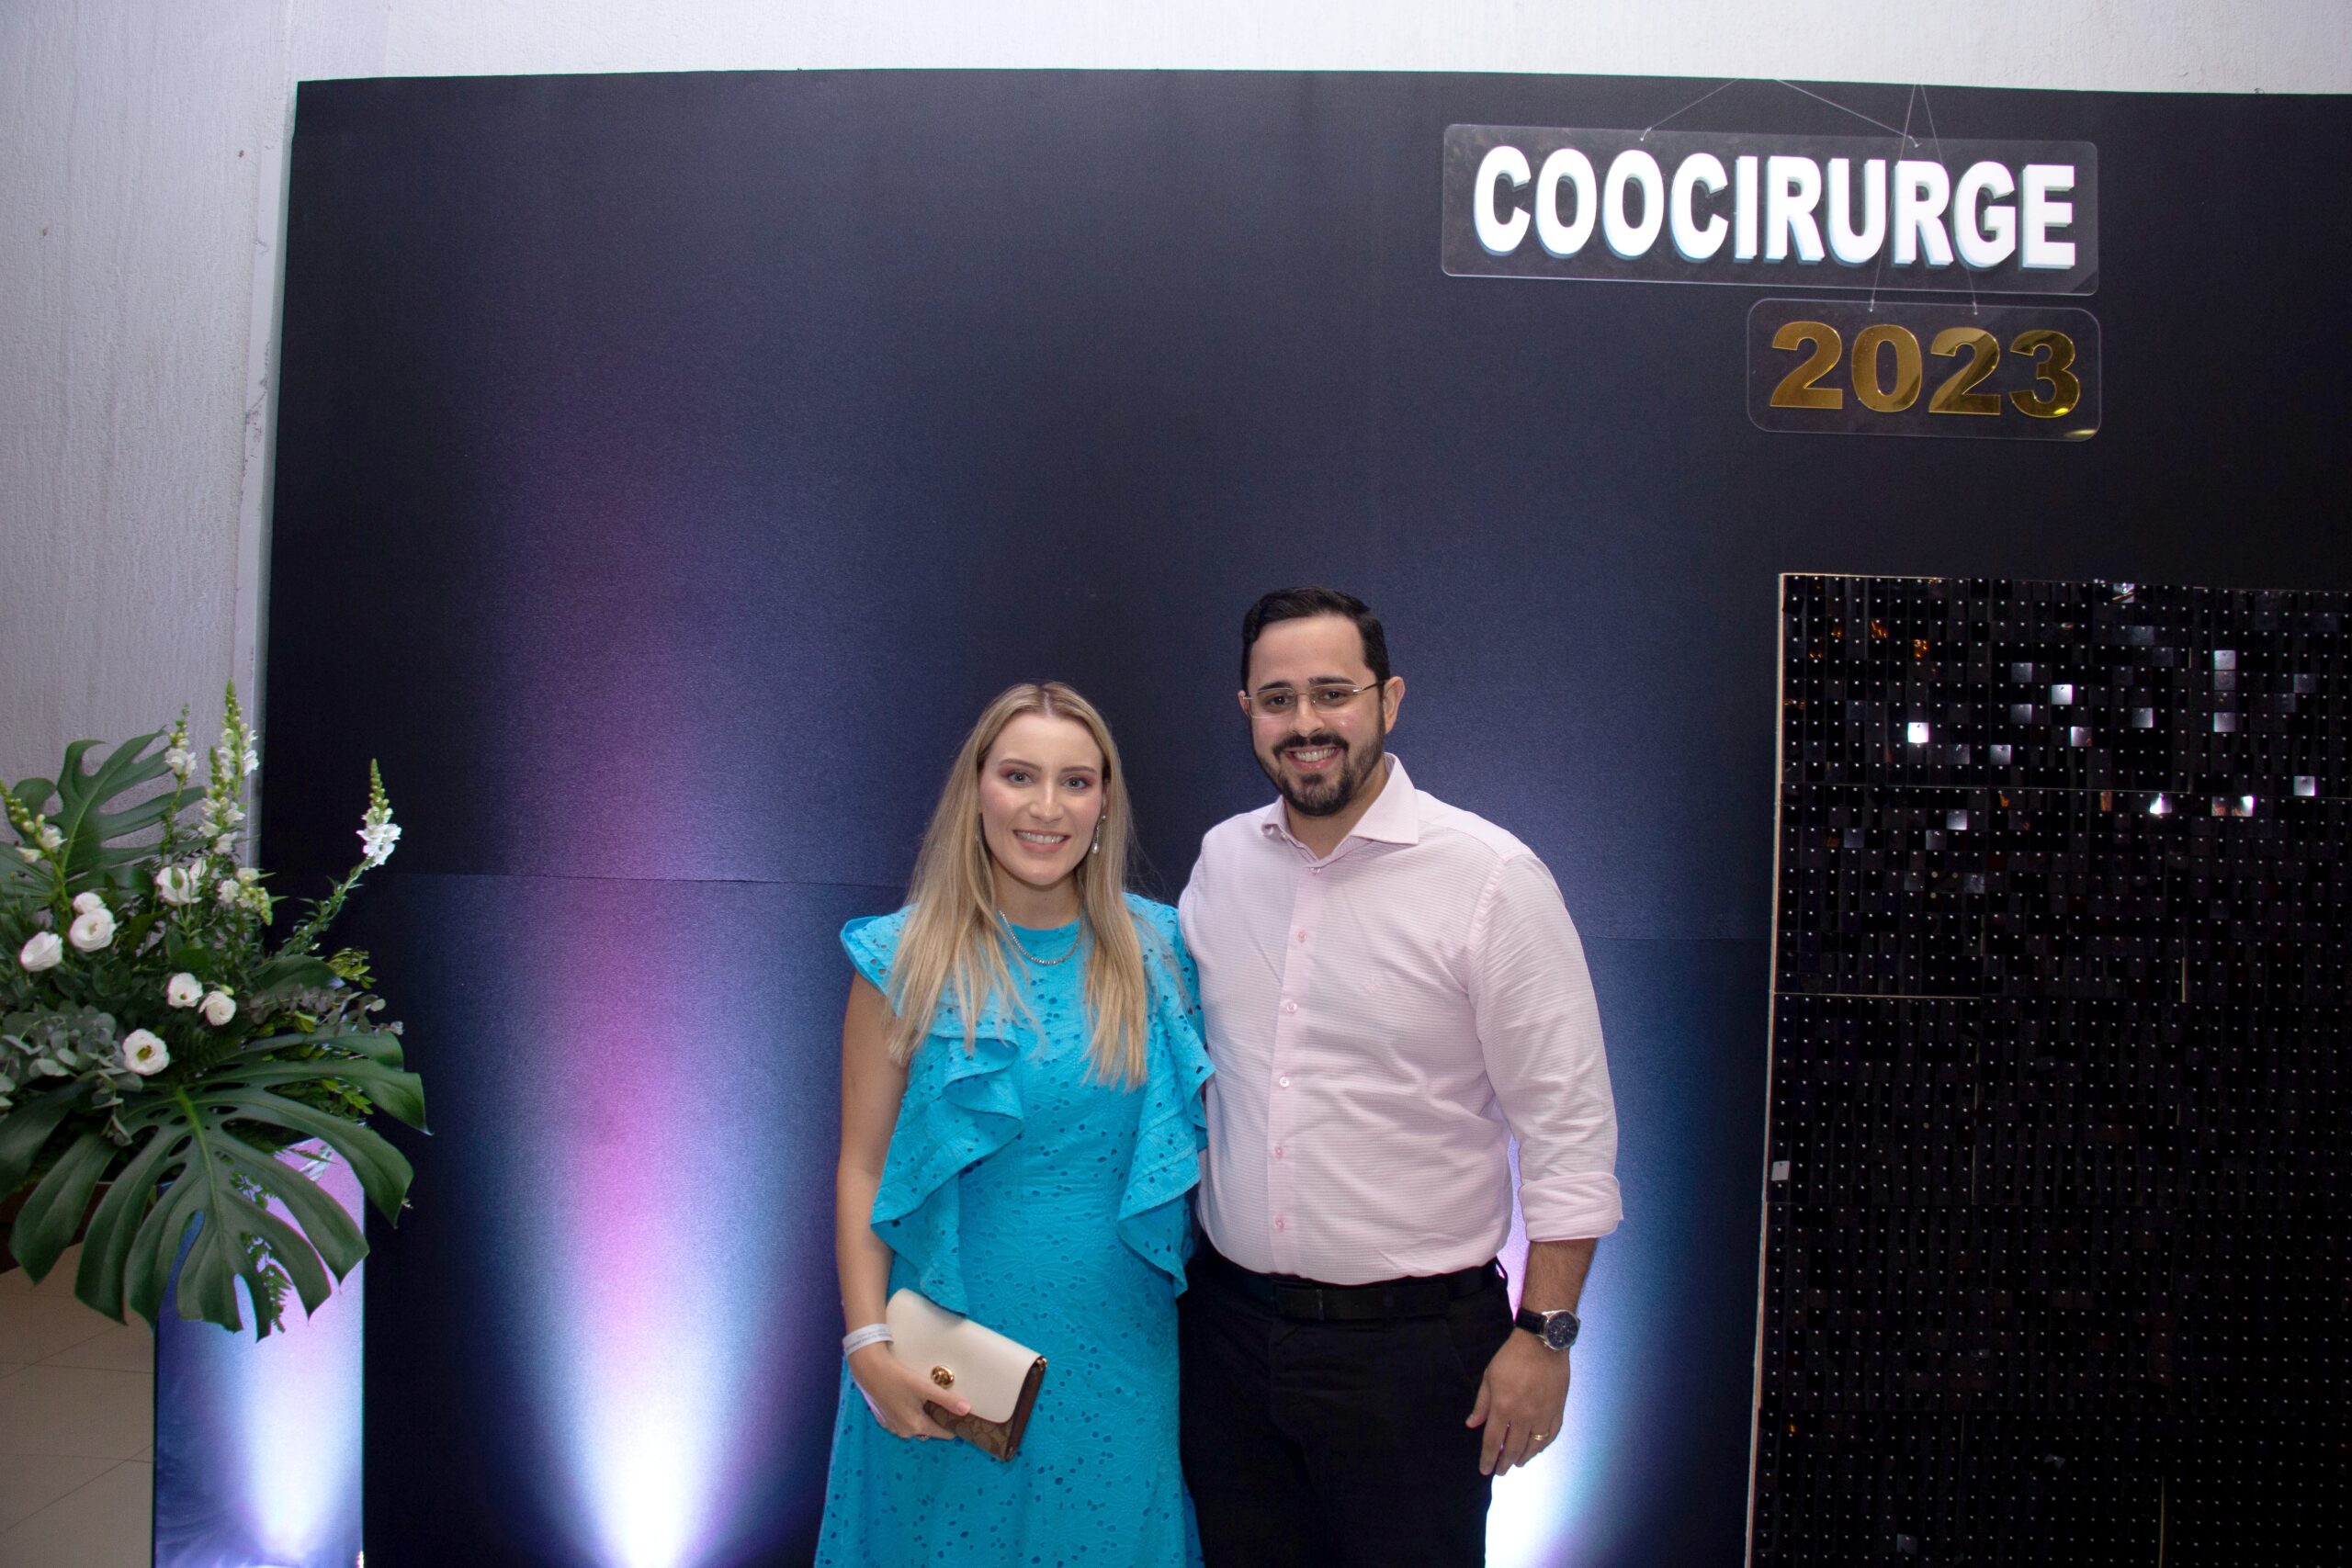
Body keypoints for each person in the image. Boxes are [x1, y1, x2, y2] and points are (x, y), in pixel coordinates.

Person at [1176, 587, 1622, 1567]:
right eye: (1278, 698)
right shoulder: (1220, 863)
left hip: (1415, 1363)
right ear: (1246, 711)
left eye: (1333, 692)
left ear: (1389, 699)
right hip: (1227, 1342)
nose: (1306, 722)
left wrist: (1545, 1336)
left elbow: (1569, 1130)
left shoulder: (1492, 879)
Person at [817, 681, 1210, 1567]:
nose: (1046, 807)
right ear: (977, 791)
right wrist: (867, 1342)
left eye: (1076, 781)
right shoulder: (902, 957)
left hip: (1120, 1356)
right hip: (945, 1357)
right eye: (1019, 775)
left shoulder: (1160, 950)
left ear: (1104, 802)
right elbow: (861, 1165)